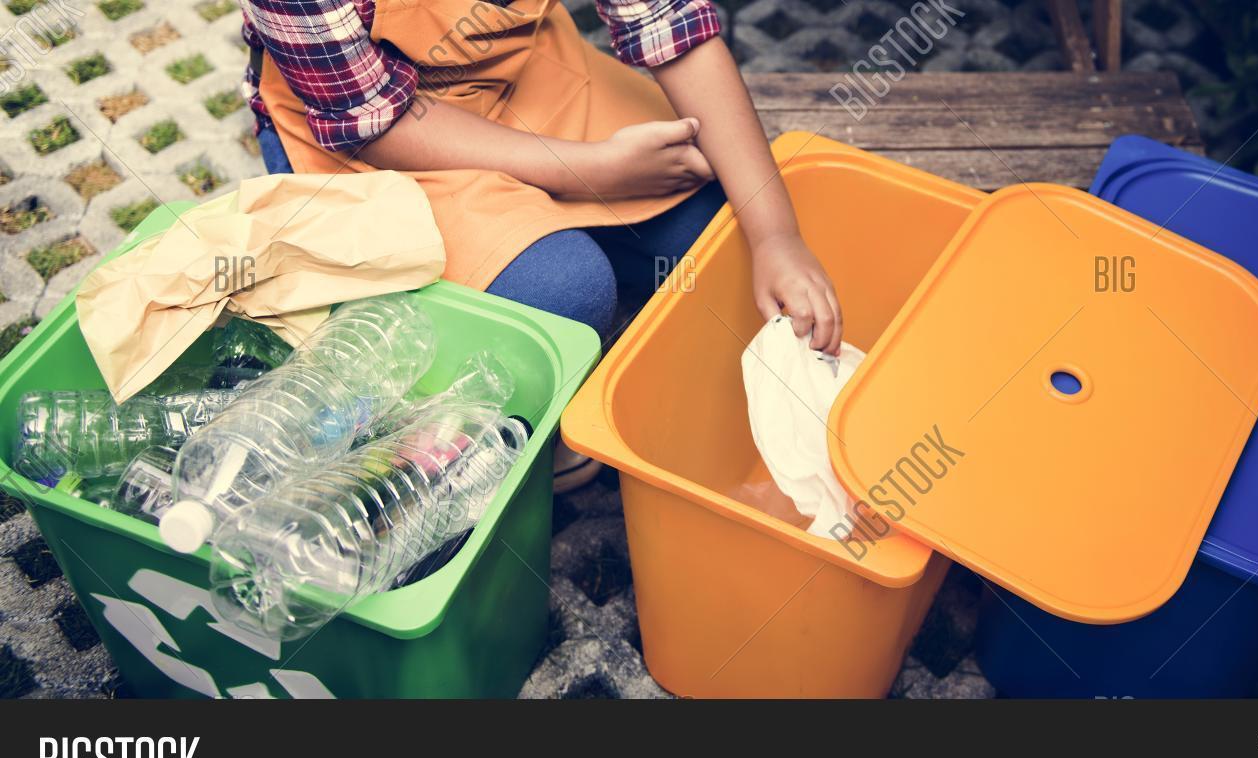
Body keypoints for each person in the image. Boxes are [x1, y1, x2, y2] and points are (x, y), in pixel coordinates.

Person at [240, 0, 845, 489]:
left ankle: (554, 249)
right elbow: (371, 121)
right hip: (373, 137)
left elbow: (672, 24)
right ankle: (514, 415)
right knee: (563, 293)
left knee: (717, 235)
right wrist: (589, 172)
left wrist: (775, 233)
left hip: (517, 72)